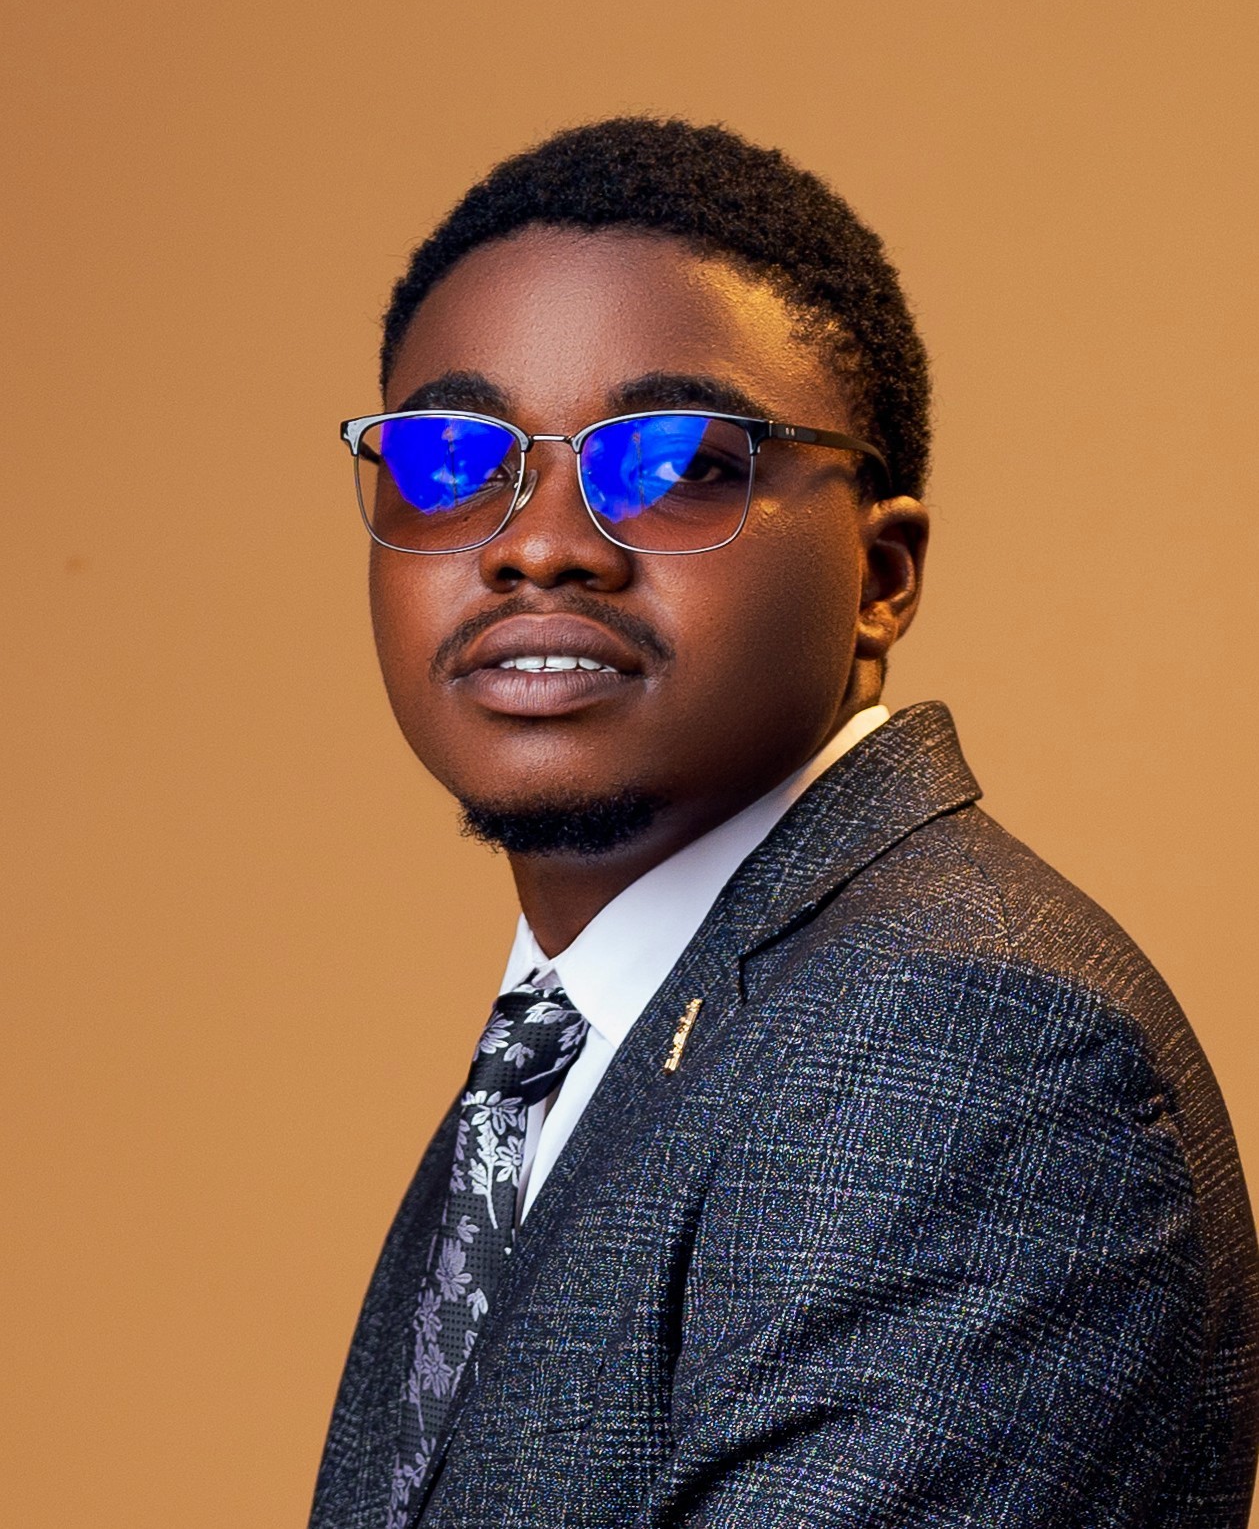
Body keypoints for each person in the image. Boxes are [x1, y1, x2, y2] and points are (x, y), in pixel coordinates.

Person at [310, 118, 1258, 1529]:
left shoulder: (964, 1057)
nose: (538, 542)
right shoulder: (578, 1045)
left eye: (676, 460)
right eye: (451, 461)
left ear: (881, 576)